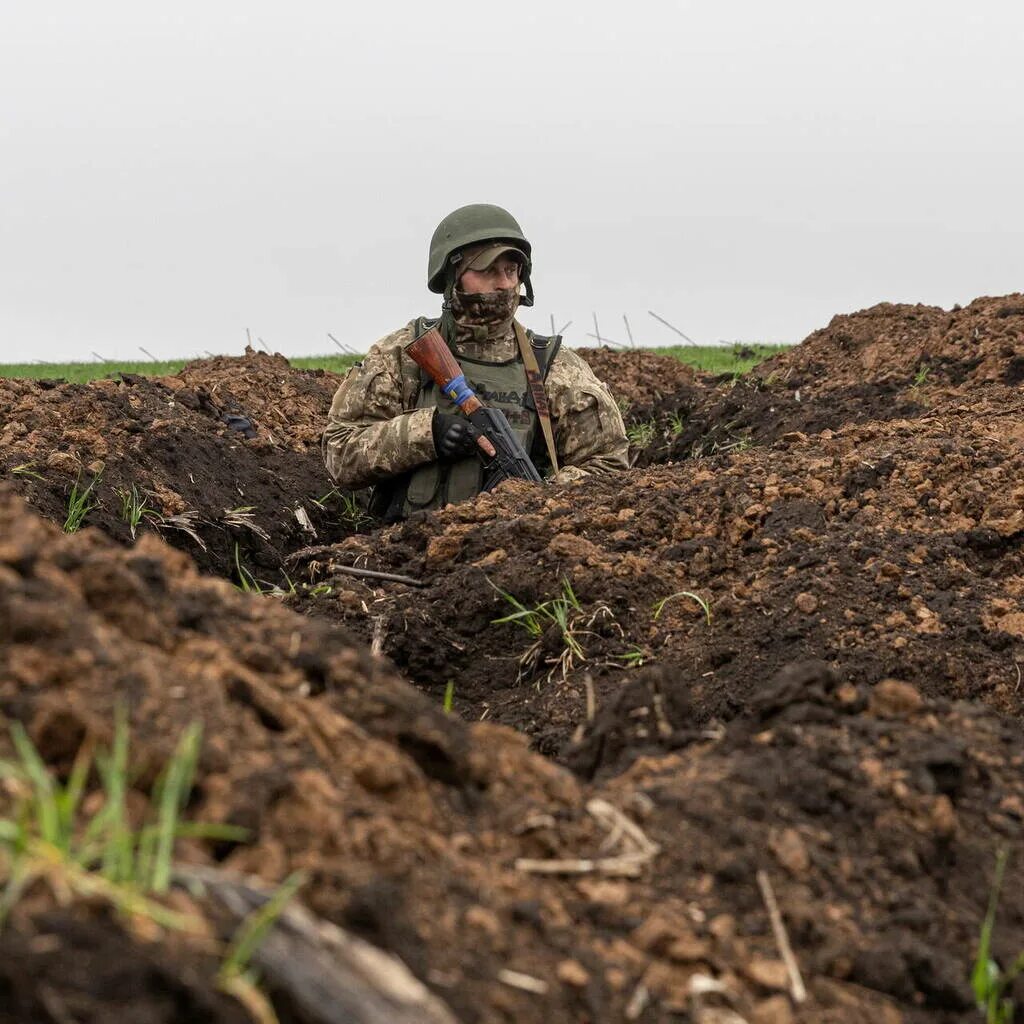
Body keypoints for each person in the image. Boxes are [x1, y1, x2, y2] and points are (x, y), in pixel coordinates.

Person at [322, 203, 629, 520]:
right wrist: (427, 433)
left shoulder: (554, 367)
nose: (504, 284)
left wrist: (537, 499)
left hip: (515, 552)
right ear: (452, 276)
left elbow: (609, 467)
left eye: (511, 271)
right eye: (488, 271)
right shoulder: (401, 355)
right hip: (405, 550)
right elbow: (340, 453)